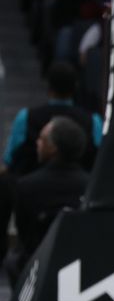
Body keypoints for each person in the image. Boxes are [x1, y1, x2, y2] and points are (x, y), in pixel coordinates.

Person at [5, 117, 91, 286]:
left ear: (53, 148)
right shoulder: (91, 186)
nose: (37, 142)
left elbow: (25, 234)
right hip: (80, 261)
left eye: (41, 139)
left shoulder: (26, 186)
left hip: (38, 262)